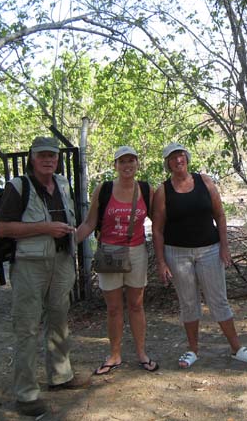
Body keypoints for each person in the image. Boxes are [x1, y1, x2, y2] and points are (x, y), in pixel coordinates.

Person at [0, 136, 90, 417]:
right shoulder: (18, 187)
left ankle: (61, 376)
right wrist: (45, 228)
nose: (48, 160)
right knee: (26, 327)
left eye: (53, 155)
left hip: (62, 261)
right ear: (32, 158)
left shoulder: (62, 183)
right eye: (42, 155)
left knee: (59, 319)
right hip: (30, 265)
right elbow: (2, 228)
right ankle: (26, 395)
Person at [152, 142, 247, 369]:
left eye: (181, 156)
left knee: (218, 299)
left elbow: (220, 215)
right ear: (167, 163)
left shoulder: (205, 182)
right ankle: (192, 350)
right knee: (188, 302)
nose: (178, 160)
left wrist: (224, 246)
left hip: (210, 250)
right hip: (177, 254)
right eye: (173, 158)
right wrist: (161, 261)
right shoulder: (163, 191)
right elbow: (158, 229)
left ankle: (236, 347)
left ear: (187, 158)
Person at [75, 145, 158, 375]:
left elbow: (160, 222)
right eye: (122, 161)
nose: (127, 165)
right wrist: (69, 243)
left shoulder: (145, 189)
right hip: (110, 251)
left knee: (136, 305)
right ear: (115, 165)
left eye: (131, 160)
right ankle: (114, 354)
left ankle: (141, 353)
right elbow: (90, 223)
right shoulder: (104, 189)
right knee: (113, 308)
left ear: (137, 164)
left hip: (137, 251)